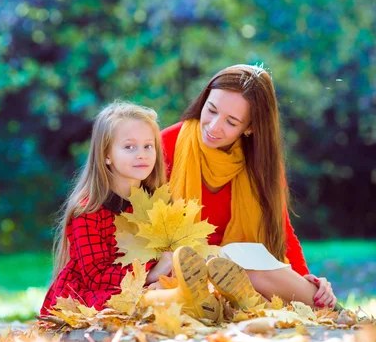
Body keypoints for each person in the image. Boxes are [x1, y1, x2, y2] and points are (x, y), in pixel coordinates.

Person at [158, 64, 336, 310]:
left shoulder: (262, 165)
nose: (213, 126)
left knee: (248, 264)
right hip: (183, 271)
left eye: (231, 122)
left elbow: (281, 230)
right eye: (211, 110)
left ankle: (322, 305)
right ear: (204, 100)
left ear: (250, 128)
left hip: (245, 270)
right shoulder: (167, 144)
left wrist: (304, 276)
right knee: (246, 272)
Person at [40, 102, 173, 316]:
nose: (142, 154)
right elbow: (97, 277)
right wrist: (153, 272)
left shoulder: (157, 205)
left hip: (144, 287)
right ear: (106, 155)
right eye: (129, 147)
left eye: (148, 146)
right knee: (142, 302)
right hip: (91, 297)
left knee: (173, 291)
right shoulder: (88, 211)